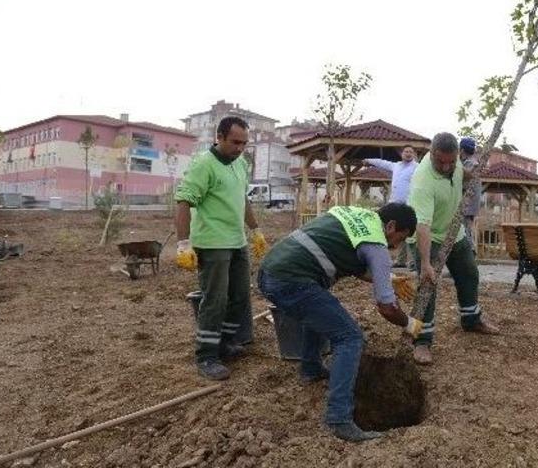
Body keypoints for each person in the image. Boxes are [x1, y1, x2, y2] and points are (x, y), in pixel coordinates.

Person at [257, 203, 423, 442]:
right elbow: (387, 308)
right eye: (400, 238)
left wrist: (386, 277)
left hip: (270, 270)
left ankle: (311, 369)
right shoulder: (377, 245)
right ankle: (340, 420)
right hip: (291, 280)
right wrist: (409, 323)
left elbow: (352, 263)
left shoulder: (356, 214)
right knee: (349, 337)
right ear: (391, 226)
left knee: (319, 311)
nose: (395, 246)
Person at [174, 116, 267, 381]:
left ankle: (225, 343)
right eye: (235, 142)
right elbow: (183, 201)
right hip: (213, 244)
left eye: (244, 143)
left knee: (239, 296)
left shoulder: (239, 165)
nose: (240, 148)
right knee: (214, 300)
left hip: (237, 242)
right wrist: (183, 243)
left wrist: (255, 229)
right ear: (220, 137)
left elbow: (242, 198)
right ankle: (206, 356)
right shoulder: (204, 164)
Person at [407, 132, 499, 365]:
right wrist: (427, 263)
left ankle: (471, 319)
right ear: (431, 153)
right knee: (428, 285)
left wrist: (472, 175)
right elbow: (422, 227)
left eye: (451, 161)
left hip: (453, 232)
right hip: (428, 236)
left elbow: (461, 175)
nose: (447, 166)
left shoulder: (453, 160)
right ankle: (422, 341)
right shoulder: (422, 181)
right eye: (441, 162)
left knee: (469, 272)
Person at [362, 146, 419, 267]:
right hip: (394, 205)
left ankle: (414, 262)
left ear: (414, 155)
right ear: (402, 153)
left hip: (408, 205)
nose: (408, 154)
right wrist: (368, 160)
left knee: (409, 233)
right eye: (406, 151)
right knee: (396, 232)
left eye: (410, 152)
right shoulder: (396, 165)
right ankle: (400, 261)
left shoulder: (417, 167)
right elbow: (382, 163)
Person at [459, 137, 482, 252]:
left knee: (465, 228)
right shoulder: (470, 161)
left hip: (468, 204)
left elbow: (465, 177)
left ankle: (470, 250)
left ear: (462, 150)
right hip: (469, 203)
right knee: (465, 227)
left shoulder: (471, 163)